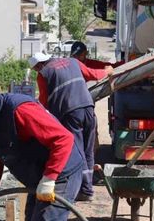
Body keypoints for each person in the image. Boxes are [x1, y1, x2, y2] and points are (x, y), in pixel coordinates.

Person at [0, 77, 84, 221]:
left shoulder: (19, 110)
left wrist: (50, 178)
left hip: (61, 173)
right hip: (39, 179)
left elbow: (63, 139)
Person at [28, 52, 113, 202]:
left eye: (36, 69)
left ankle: (85, 190)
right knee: (88, 151)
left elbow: (43, 102)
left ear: (38, 65)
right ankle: (88, 189)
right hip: (88, 109)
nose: (37, 71)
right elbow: (93, 74)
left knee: (78, 152)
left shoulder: (43, 74)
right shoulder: (73, 62)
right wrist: (107, 71)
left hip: (69, 114)